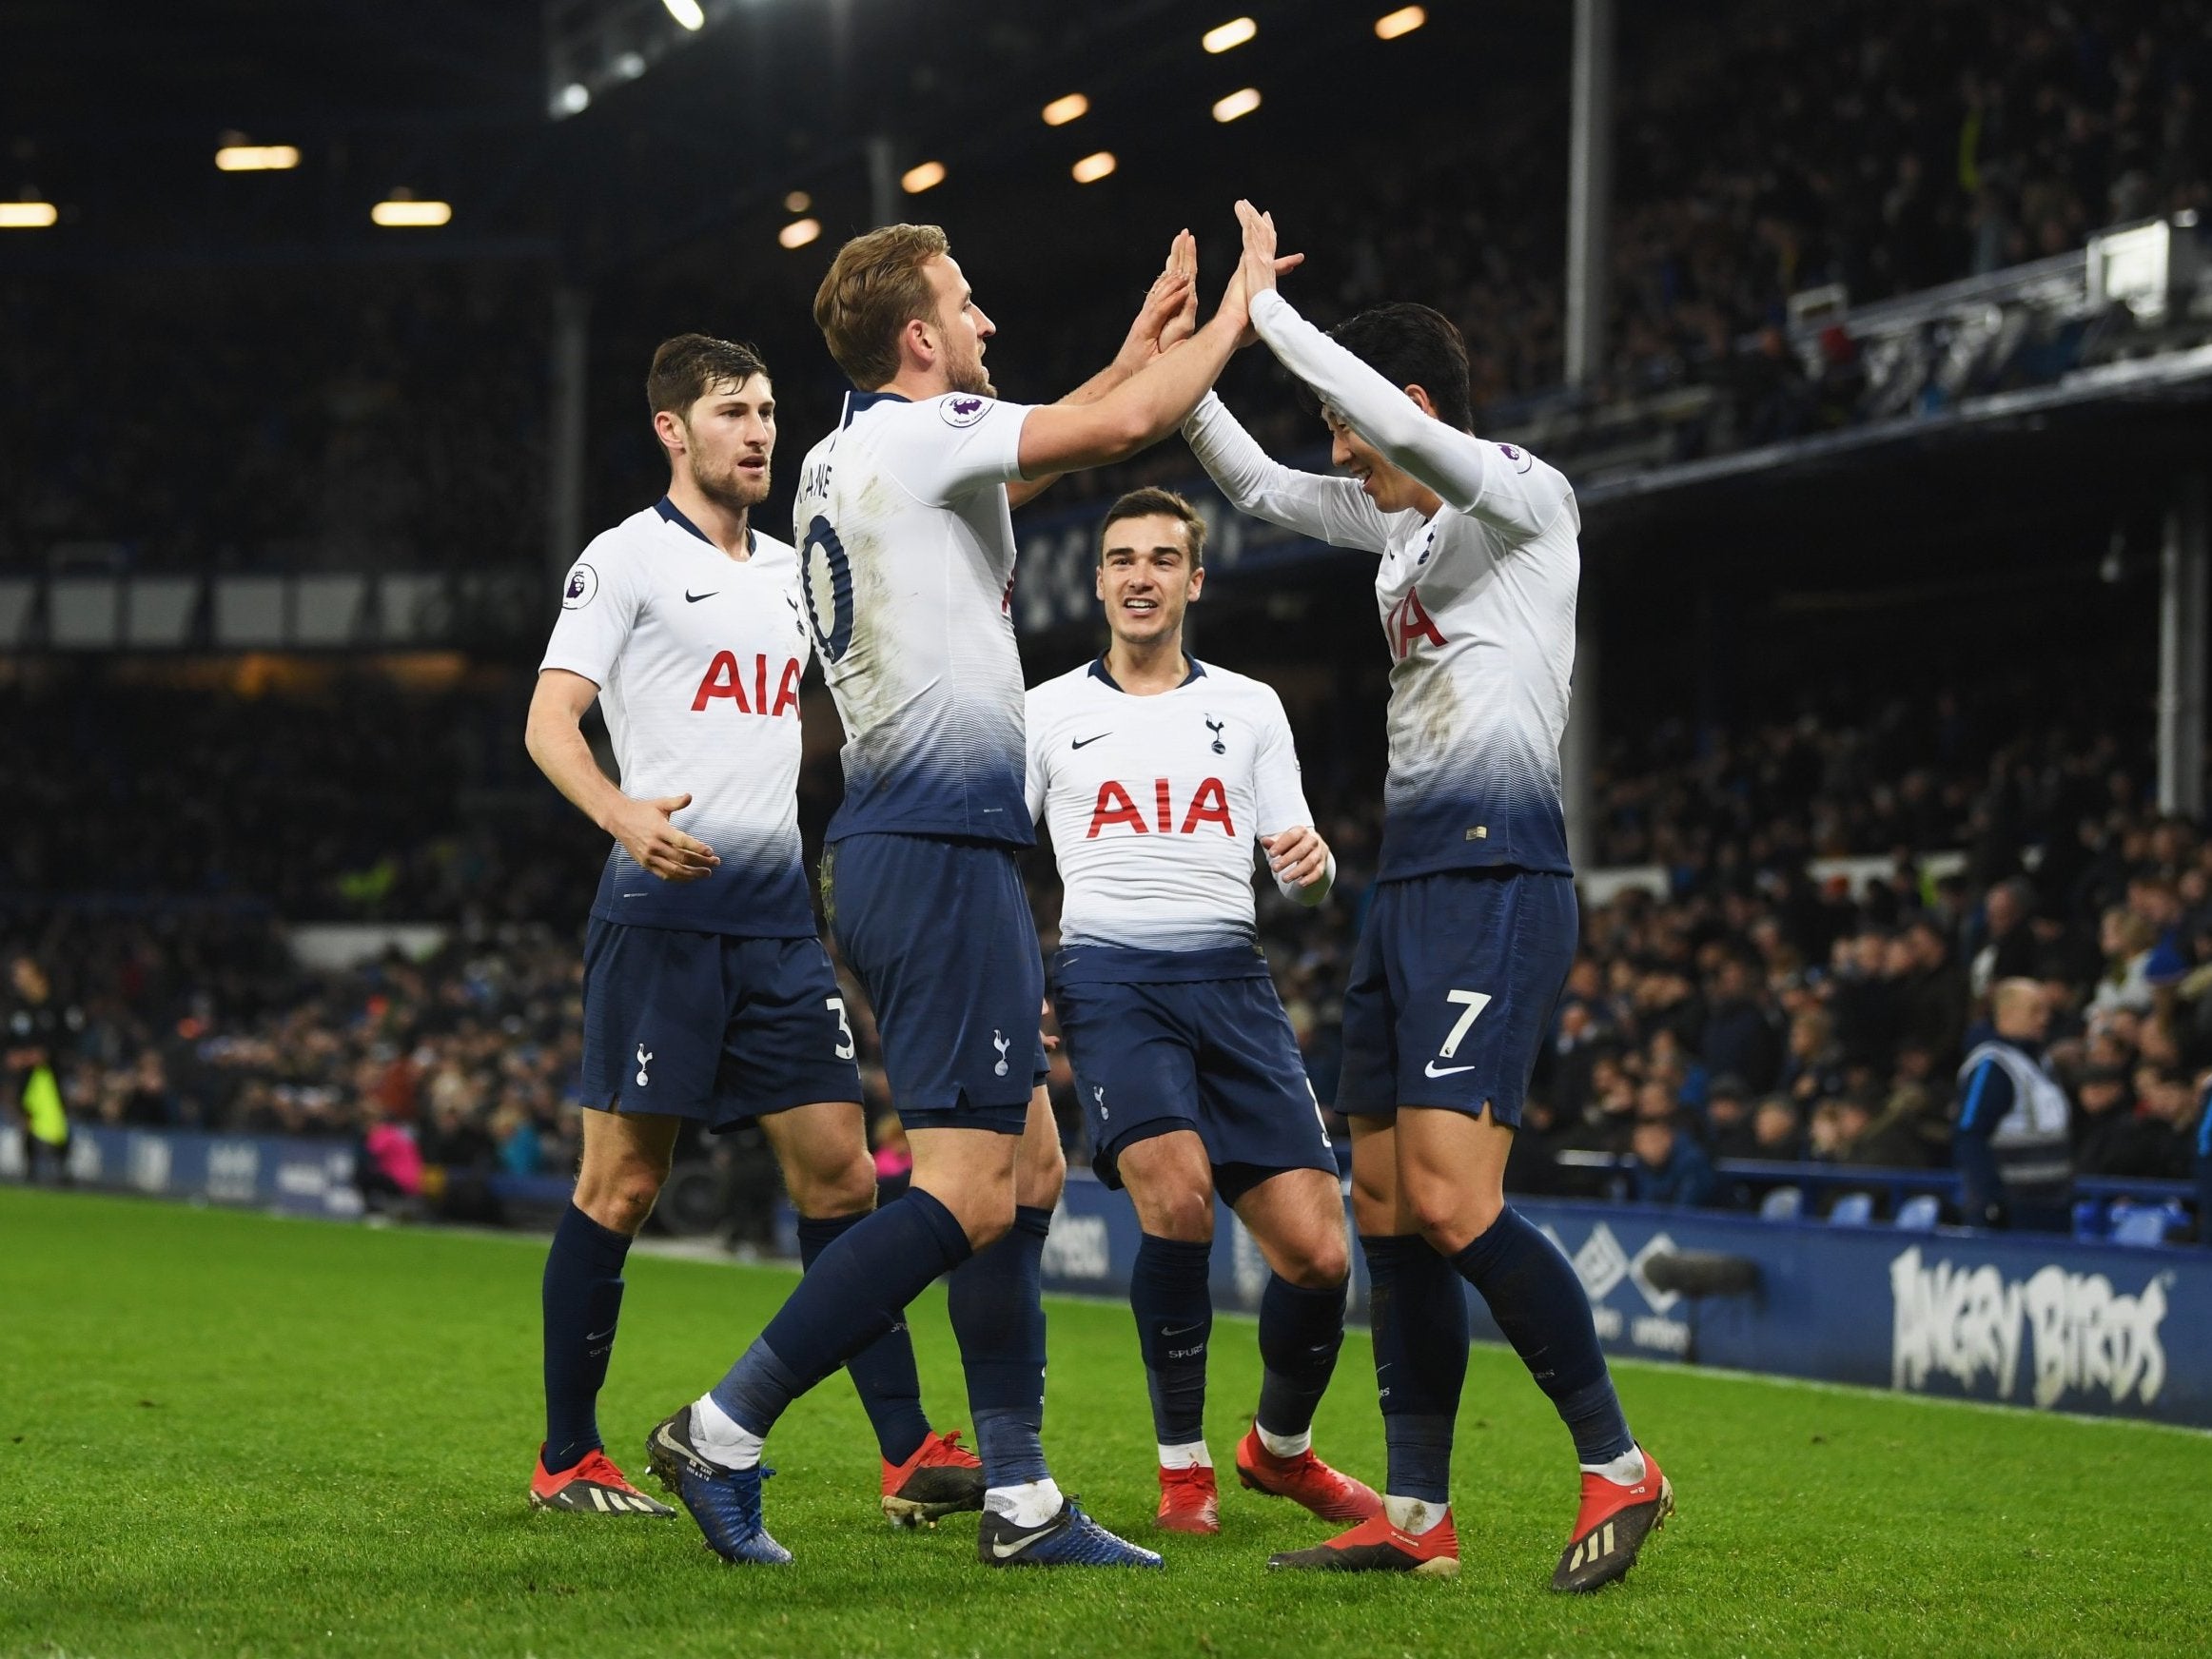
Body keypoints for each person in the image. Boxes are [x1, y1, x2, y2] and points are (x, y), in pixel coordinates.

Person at [648, 218, 1289, 1570]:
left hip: (910, 841)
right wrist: (1241, 316)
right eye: (968, 304)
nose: (988, 322)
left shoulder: (847, 456)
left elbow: (1081, 421)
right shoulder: (909, 436)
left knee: (1032, 1160)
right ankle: (725, 1426)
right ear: (919, 341)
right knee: (969, 1192)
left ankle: (1018, 1496)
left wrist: (1138, 351)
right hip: (937, 846)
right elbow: (1117, 431)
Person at [1182, 204, 1669, 1591]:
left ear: (1408, 411)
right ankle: (1417, 1514)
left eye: (1360, 433)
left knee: (1455, 1202)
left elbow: (1344, 422)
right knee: (1387, 1206)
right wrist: (1193, 365)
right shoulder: (1400, 533)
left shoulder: (1520, 494)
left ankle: (1619, 1468)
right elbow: (1265, 489)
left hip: (1499, 876)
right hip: (1412, 885)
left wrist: (1268, 310)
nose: (1346, 460)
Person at [525, 334, 981, 1525]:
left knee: (841, 1173)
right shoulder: (624, 559)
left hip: (779, 918)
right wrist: (624, 813)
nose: (760, 431)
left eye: (770, 410)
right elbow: (550, 722)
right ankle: (569, 1454)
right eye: (733, 411)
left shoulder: (794, 571)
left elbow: (809, 718)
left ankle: (906, 1455)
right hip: (660, 916)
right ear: (673, 429)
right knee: (621, 1185)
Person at [1026, 485, 1376, 1537]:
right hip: (1110, 983)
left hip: (1234, 981)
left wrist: (1311, 873)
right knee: (1175, 1199)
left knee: (1321, 1256)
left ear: (1194, 580)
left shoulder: (1254, 707)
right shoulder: (1045, 710)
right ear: (1099, 581)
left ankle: (1277, 1450)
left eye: (1162, 559)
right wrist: (1022, 981)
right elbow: (1001, 861)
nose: (1140, 575)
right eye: (1122, 558)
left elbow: (1300, 874)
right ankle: (1183, 1470)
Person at [1953, 978, 2072, 1229]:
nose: (2044, 1019)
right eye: (2035, 1011)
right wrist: (1990, 1200)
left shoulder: (2043, 1063)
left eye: (2046, 1011)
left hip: (2053, 1207)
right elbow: (1970, 1134)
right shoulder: (1992, 1066)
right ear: (2007, 1014)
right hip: (2012, 1213)